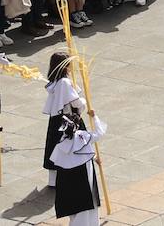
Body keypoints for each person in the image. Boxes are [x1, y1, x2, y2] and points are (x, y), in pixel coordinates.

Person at [49, 109, 108, 226]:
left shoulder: (62, 143)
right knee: (88, 204)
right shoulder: (83, 137)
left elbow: (76, 154)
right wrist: (94, 116)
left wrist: (94, 156)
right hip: (85, 177)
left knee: (75, 206)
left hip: (69, 180)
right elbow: (99, 133)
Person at [42, 52, 86, 188]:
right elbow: (75, 102)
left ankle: (53, 180)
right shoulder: (64, 82)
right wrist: (84, 103)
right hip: (67, 120)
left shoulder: (55, 81)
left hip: (56, 119)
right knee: (69, 146)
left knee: (54, 146)